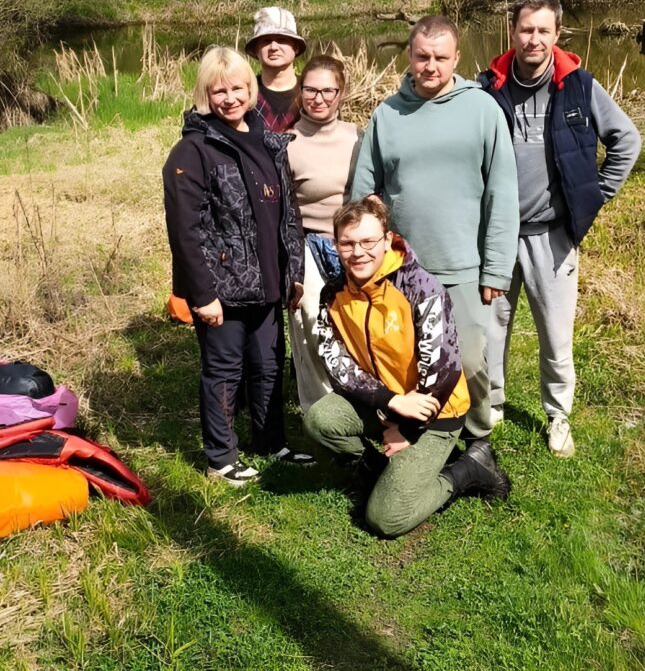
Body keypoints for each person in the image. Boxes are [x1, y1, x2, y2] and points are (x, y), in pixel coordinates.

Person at [351, 14, 519, 477]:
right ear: (409, 56)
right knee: (411, 358)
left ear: (457, 58)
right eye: (422, 56)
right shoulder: (387, 115)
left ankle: (478, 438)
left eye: (440, 58)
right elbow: (363, 192)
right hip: (403, 267)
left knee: (470, 359)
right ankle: (417, 428)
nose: (430, 66)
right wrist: (366, 255)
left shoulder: (483, 110)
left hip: (463, 264)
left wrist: (496, 268)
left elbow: (502, 193)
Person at [478, 0, 642, 457]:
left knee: (555, 333)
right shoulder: (485, 88)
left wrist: (594, 194)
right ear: (512, 32)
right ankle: (491, 404)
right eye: (526, 29)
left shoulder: (580, 86)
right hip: (495, 235)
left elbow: (627, 140)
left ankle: (558, 415)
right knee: (491, 328)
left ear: (556, 34)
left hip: (552, 235)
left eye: (543, 30)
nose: (533, 39)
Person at [305, 198, 511, 538]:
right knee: (320, 419)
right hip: (389, 403)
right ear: (336, 245)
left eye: (368, 241)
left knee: (385, 520)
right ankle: (380, 475)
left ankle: (470, 469)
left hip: (437, 413)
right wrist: (389, 401)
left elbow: (443, 369)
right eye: (347, 243)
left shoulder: (419, 287)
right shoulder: (333, 295)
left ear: (387, 240)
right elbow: (336, 363)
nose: (358, 252)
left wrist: (409, 430)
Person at [163, 46, 312, 486]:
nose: (229, 98)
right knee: (224, 371)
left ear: (251, 90)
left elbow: (288, 215)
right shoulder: (193, 150)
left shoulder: (268, 141)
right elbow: (185, 232)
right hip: (222, 289)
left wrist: (294, 273)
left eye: (237, 89)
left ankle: (270, 441)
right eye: (219, 91)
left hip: (268, 281)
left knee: (268, 365)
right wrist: (202, 294)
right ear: (205, 95)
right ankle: (221, 458)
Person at [287, 55, 361, 411]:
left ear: (340, 93)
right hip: (307, 242)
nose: (318, 98)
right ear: (300, 92)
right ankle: (320, 409)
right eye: (310, 90)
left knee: (356, 324)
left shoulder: (358, 137)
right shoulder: (287, 143)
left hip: (354, 243)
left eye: (327, 91)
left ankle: (361, 399)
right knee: (311, 322)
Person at [245, 7, 306, 132]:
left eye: (282, 40)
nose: (273, 47)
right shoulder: (245, 92)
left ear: (296, 47)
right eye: (266, 41)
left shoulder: (311, 91)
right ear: (256, 50)